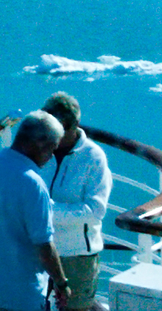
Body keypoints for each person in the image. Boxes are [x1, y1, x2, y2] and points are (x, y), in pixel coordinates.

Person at [0, 112, 65, 311]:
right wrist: (61, 282)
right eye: (53, 147)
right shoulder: (33, 183)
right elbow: (44, 245)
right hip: (21, 294)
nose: (52, 155)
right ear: (40, 143)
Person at [36, 92, 112, 311]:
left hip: (76, 256)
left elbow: (95, 209)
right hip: (39, 248)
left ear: (69, 126)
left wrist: (48, 211)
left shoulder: (93, 157)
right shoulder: (41, 150)